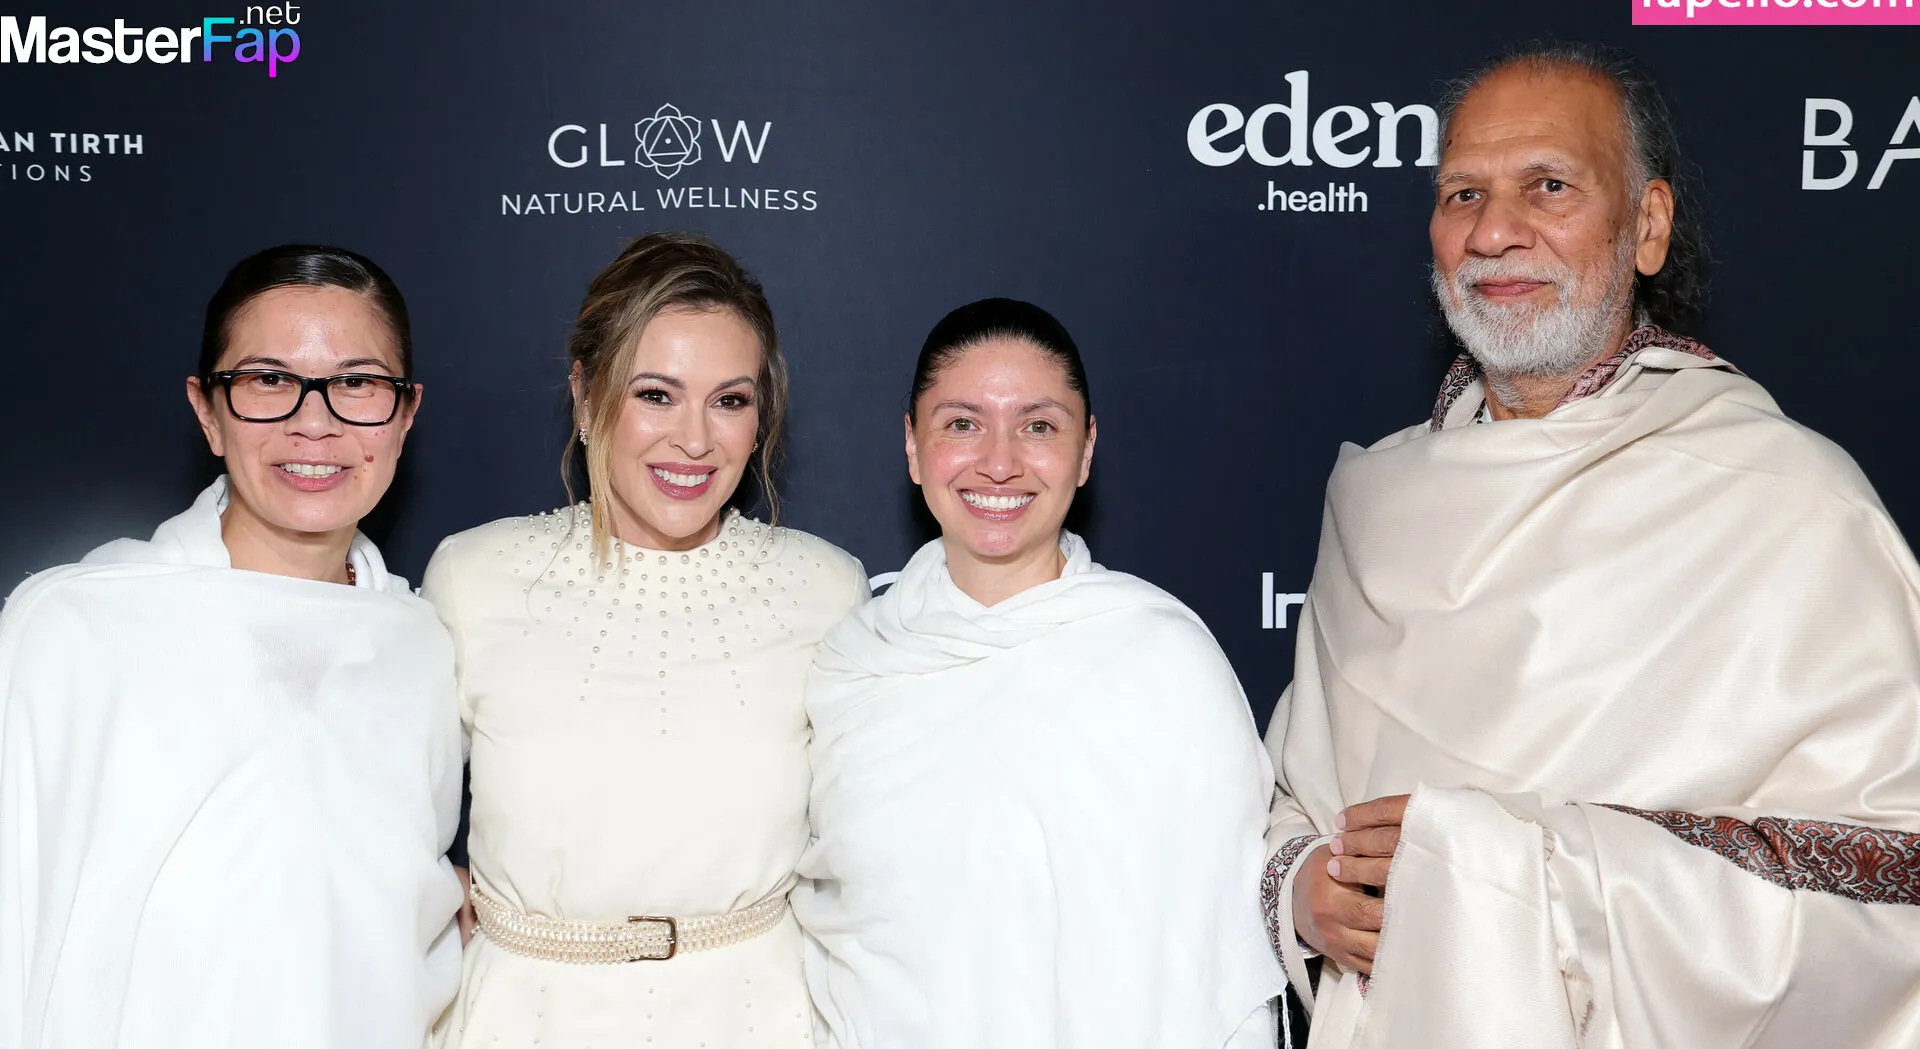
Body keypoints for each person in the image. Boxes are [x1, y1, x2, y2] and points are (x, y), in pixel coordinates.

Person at [1262, 43, 1920, 1049]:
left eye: (1549, 186)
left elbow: (1891, 882)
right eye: (1463, 194)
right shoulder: (1377, 500)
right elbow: (1296, 800)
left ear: (1646, 226)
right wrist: (1306, 890)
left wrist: (1537, 867)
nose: (1493, 232)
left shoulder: (1789, 502)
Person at [0, 245, 463, 1048]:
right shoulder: (76, 626)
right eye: (269, 380)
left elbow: (379, 918)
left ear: (405, 415)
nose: (313, 422)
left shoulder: (421, 644)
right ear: (208, 411)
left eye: (357, 383)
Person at [794, 298, 1284, 1049]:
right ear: (913, 446)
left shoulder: (1165, 662)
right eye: (963, 423)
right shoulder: (854, 665)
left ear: (1086, 451)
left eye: (1039, 426)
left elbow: (1224, 955)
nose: (999, 462)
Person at [424, 231, 868, 1048]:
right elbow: (376, 822)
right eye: (656, 394)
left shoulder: (827, 588)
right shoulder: (472, 576)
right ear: (586, 395)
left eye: (730, 400)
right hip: (521, 1020)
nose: (695, 440)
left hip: (758, 1019)